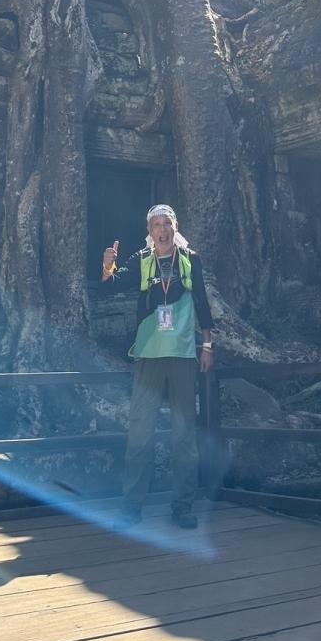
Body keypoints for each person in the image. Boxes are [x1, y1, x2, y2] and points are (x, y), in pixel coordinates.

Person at [102, 203, 213, 529]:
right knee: (140, 431)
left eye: (167, 224)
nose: (162, 230)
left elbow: (202, 302)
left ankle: (183, 506)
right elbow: (111, 284)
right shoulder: (142, 259)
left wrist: (207, 345)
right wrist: (108, 265)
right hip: (149, 354)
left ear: (175, 227)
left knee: (184, 434)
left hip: (182, 354)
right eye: (156, 225)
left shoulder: (190, 260)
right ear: (149, 231)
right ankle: (131, 507)